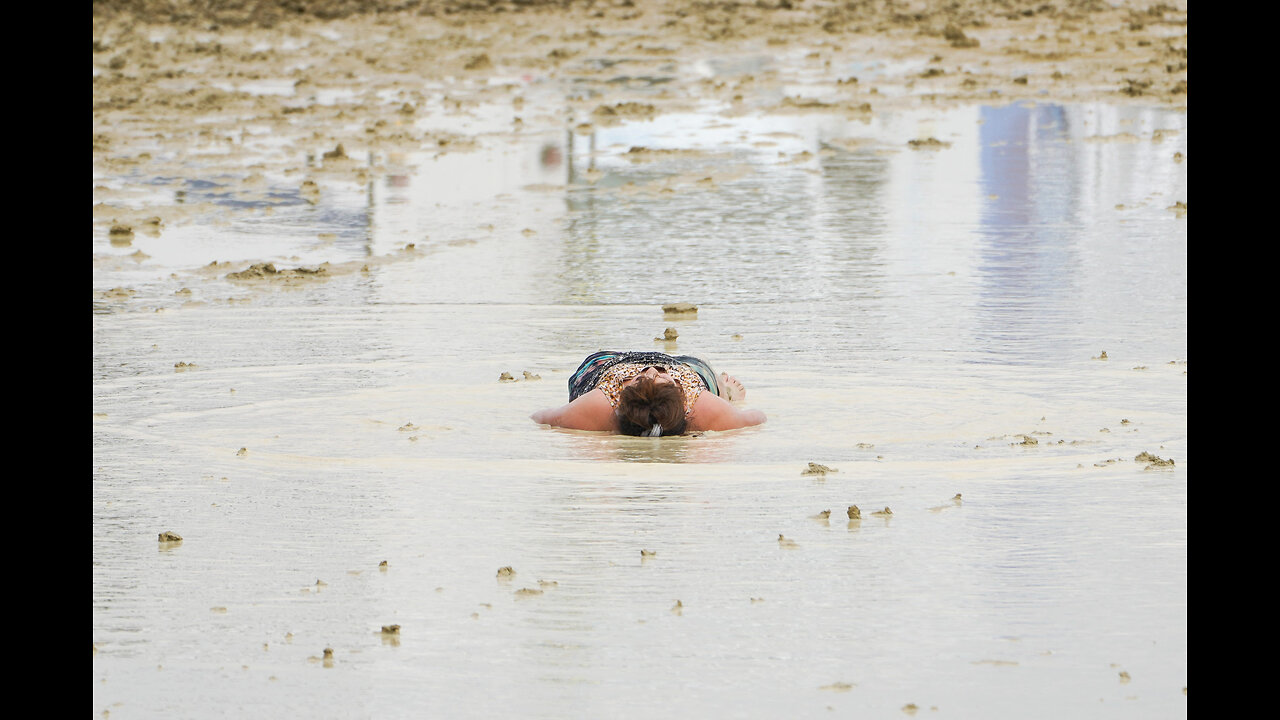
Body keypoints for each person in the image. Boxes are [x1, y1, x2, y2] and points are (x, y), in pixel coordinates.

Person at [531, 351, 766, 435]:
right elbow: (757, 417)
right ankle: (722, 391)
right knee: (703, 371)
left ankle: (723, 391)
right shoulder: (700, 405)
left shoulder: (599, 406)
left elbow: (541, 417)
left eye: (642, 379)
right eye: (660, 378)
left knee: (593, 360)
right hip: (686, 368)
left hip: (609, 362)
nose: (652, 369)